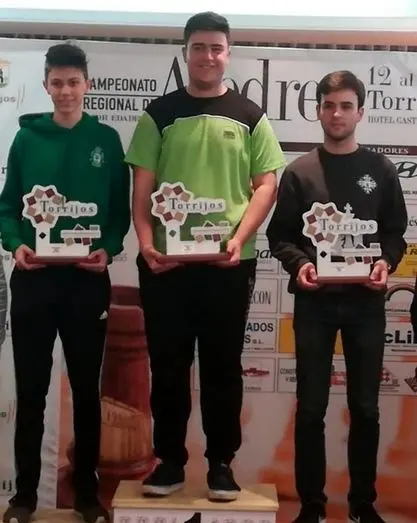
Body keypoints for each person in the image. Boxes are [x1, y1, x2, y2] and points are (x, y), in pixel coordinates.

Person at [125, 11, 286, 502]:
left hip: (228, 264)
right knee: (168, 366)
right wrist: (146, 242)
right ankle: (169, 462)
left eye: (216, 47)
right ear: (185, 53)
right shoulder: (159, 114)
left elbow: (266, 185)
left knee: (222, 366)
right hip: (166, 265)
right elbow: (142, 188)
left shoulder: (250, 116)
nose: (207, 56)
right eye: (198, 47)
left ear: (228, 54)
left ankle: (221, 464)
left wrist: (239, 238)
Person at [267, 70, 407, 523]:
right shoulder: (299, 172)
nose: (337, 114)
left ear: (360, 112)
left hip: (366, 303)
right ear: (318, 112)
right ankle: (312, 506)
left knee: (365, 407)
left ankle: (362, 505)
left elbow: (395, 233)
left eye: (346, 106)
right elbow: (279, 236)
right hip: (315, 303)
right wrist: (300, 265)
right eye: (329, 105)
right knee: (311, 408)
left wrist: (385, 262)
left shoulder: (381, 170)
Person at [0, 43, 131, 523]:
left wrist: (108, 248)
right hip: (34, 281)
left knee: (85, 391)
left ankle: (87, 498)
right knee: (32, 392)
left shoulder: (106, 140)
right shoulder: (27, 139)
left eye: (74, 82)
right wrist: (16, 243)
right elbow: (7, 206)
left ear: (87, 85)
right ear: (46, 85)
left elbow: (118, 213)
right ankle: (24, 498)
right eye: (57, 82)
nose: (66, 91)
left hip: (85, 282)